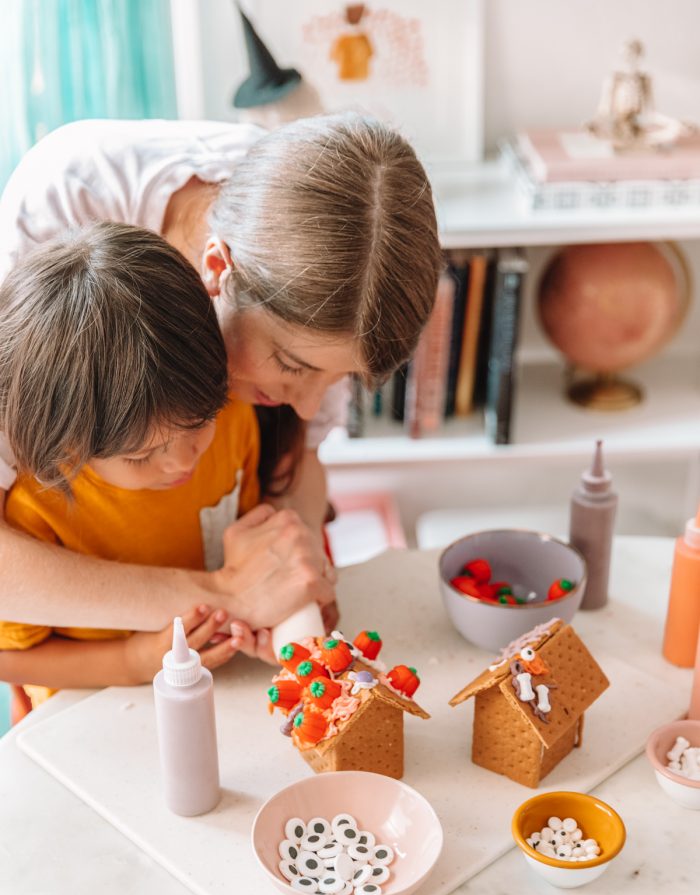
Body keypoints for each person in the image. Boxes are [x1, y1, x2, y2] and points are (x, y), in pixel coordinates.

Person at [0, 112, 442, 636]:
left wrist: (287, 550)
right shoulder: (57, 219)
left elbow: (299, 459)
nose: (307, 407)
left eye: (337, 378)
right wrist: (225, 596)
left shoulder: (343, 253)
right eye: (291, 365)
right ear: (216, 267)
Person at [0, 222, 273, 700]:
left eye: (198, 423)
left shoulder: (233, 420)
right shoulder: (36, 510)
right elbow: (11, 658)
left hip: (223, 692)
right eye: (141, 455)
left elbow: (242, 546)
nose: (180, 461)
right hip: (89, 716)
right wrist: (135, 662)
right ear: (69, 446)